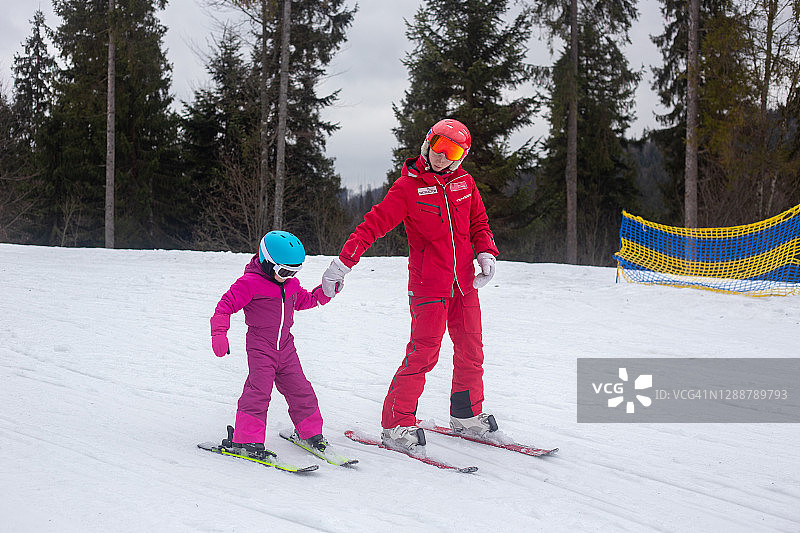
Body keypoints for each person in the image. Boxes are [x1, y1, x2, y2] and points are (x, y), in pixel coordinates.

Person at [322, 118, 500, 456]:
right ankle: (396, 423)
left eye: (454, 151)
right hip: (428, 286)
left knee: (471, 349)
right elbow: (370, 227)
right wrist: (342, 265)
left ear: (462, 156)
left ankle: (465, 414)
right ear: (427, 143)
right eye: (439, 147)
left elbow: (479, 223)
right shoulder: (408, 188)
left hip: (464, 284)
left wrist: (487, 252)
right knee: (424, 353)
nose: (443, 157)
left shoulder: (465, 183)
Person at [210, 230, 333, 456]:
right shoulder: (249, 283)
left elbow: (305, 300)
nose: (290, 276)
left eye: (295, 271)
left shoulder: (290, 284)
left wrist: (325, 293)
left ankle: (310, 433)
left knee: (301, 390)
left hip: (286, 348)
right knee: (258, 392)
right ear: (267, 262)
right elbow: (224, 306)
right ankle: (246, 440)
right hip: (261, 348)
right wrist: (219, 333)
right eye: (285, 271)